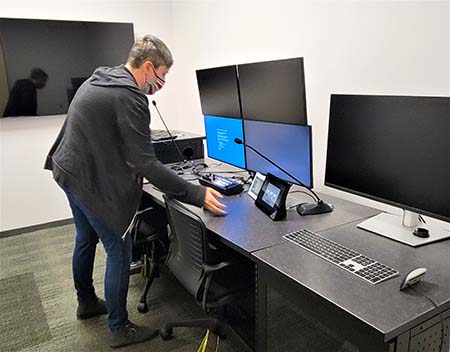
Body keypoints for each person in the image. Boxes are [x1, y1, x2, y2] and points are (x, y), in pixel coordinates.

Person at [44, 35, 226, 348]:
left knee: (85, 238)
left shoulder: (100, 78)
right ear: (146, 67)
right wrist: (198, 195)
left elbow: (102, 137)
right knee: (119, 248)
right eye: (163, 75)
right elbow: (147, 164)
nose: (162, 82)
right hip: (86, 180)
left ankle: (86, 301)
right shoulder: (130, 97)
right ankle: (119, 327)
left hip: (68, 170)